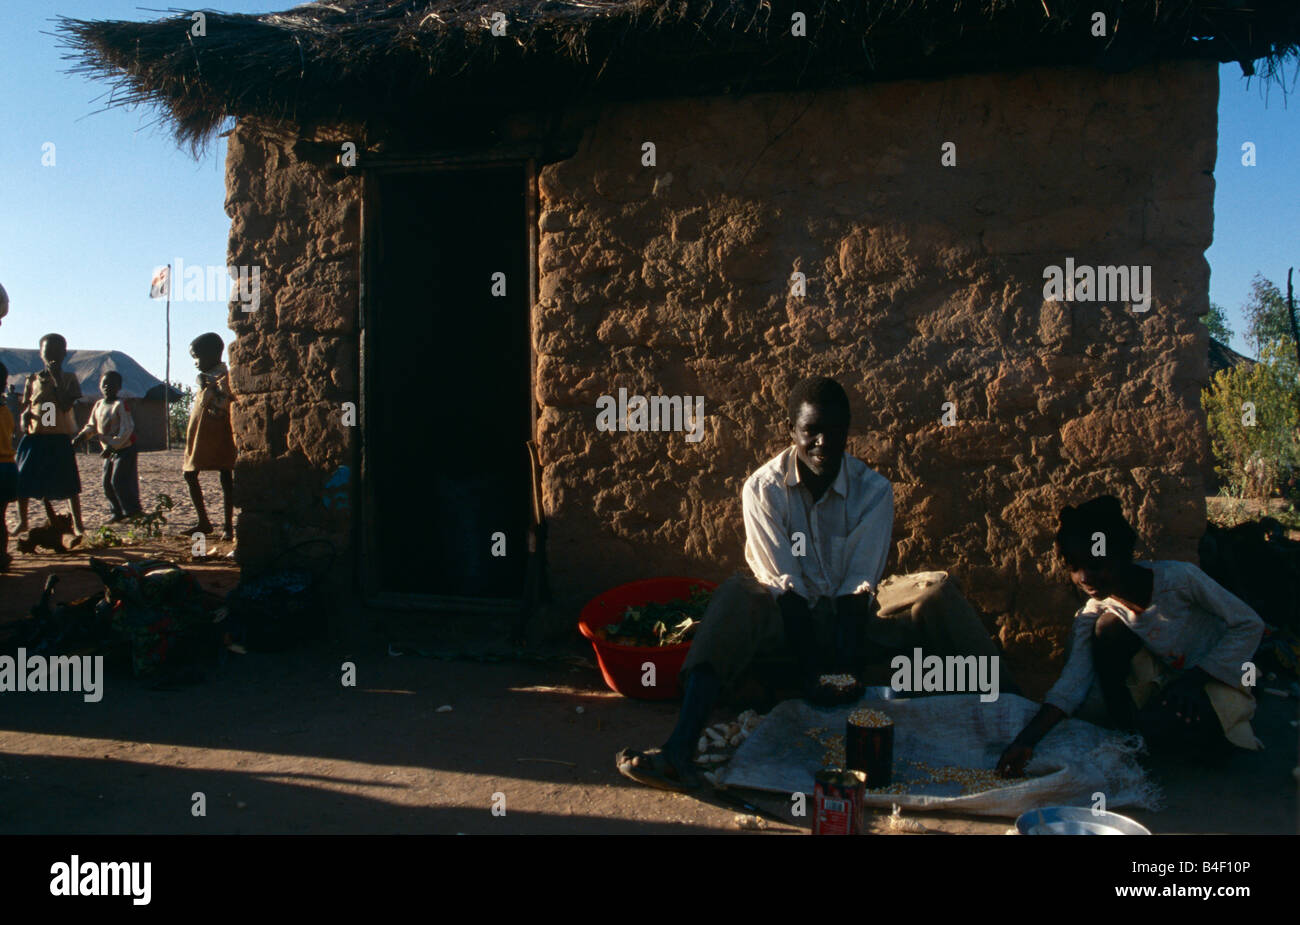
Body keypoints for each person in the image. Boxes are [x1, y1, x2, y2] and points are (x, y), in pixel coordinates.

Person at [616, 376, 1006, 791]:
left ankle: (1015, 710)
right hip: (787, 622)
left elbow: (859, 587)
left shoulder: (873, 491)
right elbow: (784, 587)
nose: (823, 443)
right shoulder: (763, 490)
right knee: (735, 593)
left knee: (936, 592)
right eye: (811, 432)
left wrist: (844, 669)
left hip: (854, 621)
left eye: (835, 432)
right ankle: (680, 748)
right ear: (792, 432)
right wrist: (814, 677)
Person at [997, 496, 1265, 778]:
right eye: (1074, 566)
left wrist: (1194, 681)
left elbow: (1249, 624)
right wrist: (1026, 740)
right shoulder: (1095, 610)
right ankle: (1126, 727)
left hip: (1214, 675)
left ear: (1122, 555)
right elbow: (1073, 680)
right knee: (1108, 629)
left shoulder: (1180, 580)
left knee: (1206, 737)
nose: (1084, 577)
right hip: (1166, 681)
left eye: (1095, 565)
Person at [15, 333, 84, 535]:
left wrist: (55, 379)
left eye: (56, 352)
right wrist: (24, 417)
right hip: (36, 436)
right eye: (48, 353)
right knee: (23, 479)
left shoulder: (69, 379)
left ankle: (78, 524)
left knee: (69, 482)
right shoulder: (33, 379)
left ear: (64, 354)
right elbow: (28, 405)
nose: (52, 357)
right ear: (41, 354)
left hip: (58, 436)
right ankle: (23, 521)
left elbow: (64, 405)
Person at [182, 332, 236, 539]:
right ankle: (203, 521)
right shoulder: (205, 379)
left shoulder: (224, 378)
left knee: (226, 475)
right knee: (189, 473)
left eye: (197, 357)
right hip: (200, 436)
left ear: (214, 354)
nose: (195, 362)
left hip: (219, 434)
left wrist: (211, 389)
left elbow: (225, 402)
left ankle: (228, 526)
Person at [73, 370, 142, 523]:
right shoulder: (99, 405)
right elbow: (92, 425)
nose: (106, 387)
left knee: (118, 480)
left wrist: (113, 445)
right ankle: (117, 512)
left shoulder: (120, 405)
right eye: (104, 384)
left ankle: (132, 511)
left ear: (119, 387)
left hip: (124, 448)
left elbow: (127, 429)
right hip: (109, 450)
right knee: (106, 482)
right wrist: (82, 436)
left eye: (111, 384)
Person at [0, 360, 17, 570]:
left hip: (49, 440)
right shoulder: (6, 409)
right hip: (8, 466)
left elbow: (48, 420)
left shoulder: (59, 384)